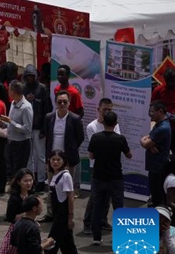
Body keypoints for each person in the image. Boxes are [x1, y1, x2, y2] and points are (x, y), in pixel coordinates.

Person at [87, 110, 130, 246]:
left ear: (103, 122)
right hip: (115, 178)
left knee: (97, 207)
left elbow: (91, 156)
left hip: (98, 177)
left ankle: (96, 237)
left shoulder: (95, 137)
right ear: (116, 123)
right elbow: (129, 155)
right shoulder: (120, 138)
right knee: (118, 208)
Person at [83, 98, 121, 234]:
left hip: (111, 167)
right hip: (97, 167)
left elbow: (117, 141)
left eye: (109, 110)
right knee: (95, 197)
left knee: (108, 197)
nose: (106, 112)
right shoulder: (92, 127)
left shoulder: (115, 124)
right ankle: (88, 223)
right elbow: (97, 148)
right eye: (104, 109)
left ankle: (102, 221)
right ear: (98, 109)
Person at [23, 65, 51, 190]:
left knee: (40, 155)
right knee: (29, 155)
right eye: (27, 76)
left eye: (31, 76)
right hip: (27, 128)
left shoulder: (42, 89)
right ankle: (30, 180)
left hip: (39, 128)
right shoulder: (23, 89)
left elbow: (47, 110)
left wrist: (45, 129)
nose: (29, 78)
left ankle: (40, 180)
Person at [46, 150, 76, 254]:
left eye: (58, 160)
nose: (55, 162)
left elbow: (70, 197)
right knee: (68, 245)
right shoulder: (54, 175)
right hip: (56, 214)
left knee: (50, 245)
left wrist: (70, 218)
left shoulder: (65, 176)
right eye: (53, 159)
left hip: (62, 217)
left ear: (63, 161)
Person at [143, 101, 172, 207]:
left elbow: (145, 143)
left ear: (160, 111)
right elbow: (149, 139)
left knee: (157, 195)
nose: (150, 114)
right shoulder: (160, 124)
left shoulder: (162, 128)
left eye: (152, 112)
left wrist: (145, 141)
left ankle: (159, 218)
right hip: (155, 165)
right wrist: (149, 143)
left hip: (157, 166)